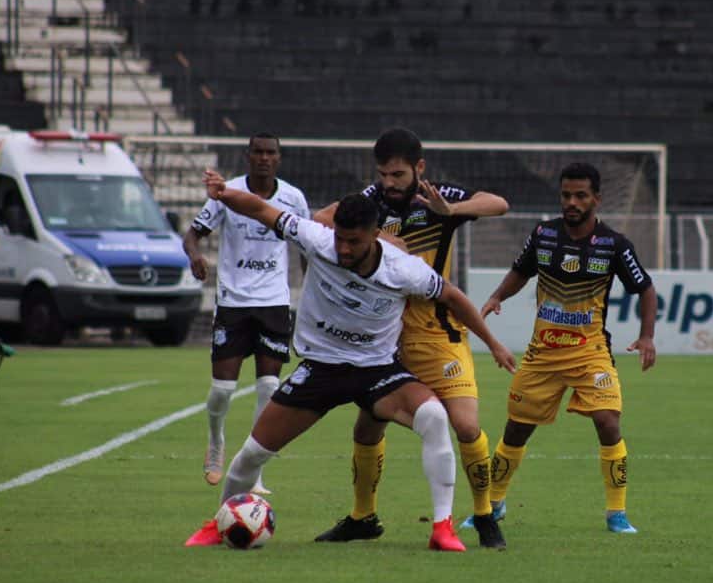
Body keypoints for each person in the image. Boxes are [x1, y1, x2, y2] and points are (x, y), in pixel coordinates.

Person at [184, 173, 517, 551]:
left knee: (435, 417)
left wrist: (492, 343)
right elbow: (261, 209)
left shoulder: (402, 268)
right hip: (321, 368)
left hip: (377, 369)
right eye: (340, 237)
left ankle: (443, 528)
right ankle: (218, 523)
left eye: (353, 241)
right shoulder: (319, 239)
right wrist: (225, 194)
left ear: (375, 234)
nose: (342, 248)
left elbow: (453, 297)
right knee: (253, 454)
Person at [312, 127, 513, 549]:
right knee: (367, 427)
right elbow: (320, 218)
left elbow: (499, 203)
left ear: (419, 169)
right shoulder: (370, 202)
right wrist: (381, 236)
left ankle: (483, 515)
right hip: (385, 338)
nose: (389, 183)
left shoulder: (436, 197)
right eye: (384, 174)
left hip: (438, 334)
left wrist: (452, 210)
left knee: (466, 425)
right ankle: (363, 516)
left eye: (398, 174)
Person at [476, 162, 657, 534]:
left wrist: (648, 335)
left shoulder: (614, 245)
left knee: (608, 422)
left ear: (597, 199)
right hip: (542, 353)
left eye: (580, 196)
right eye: (565, 195)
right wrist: (497, 295)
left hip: (590, 352)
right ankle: (493, 505)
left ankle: (617, 513)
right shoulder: (543, 234)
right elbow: (520, 271)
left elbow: (646, 289)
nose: (571, 202)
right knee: (516, 431)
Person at [183, 133, 310, 495]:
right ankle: (216, 439)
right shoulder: (228, 193)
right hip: (233, 302)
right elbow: (192, 235)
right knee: (222, 390)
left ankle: (252, 470)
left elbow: (306, 246)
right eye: (258, 152)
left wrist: (312, 291)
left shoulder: (293, 198)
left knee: (269, 388)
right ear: (248, 156)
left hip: (273, 303)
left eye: (271, 153)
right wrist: (195, 256)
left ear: (279, 159)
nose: (264, 158)